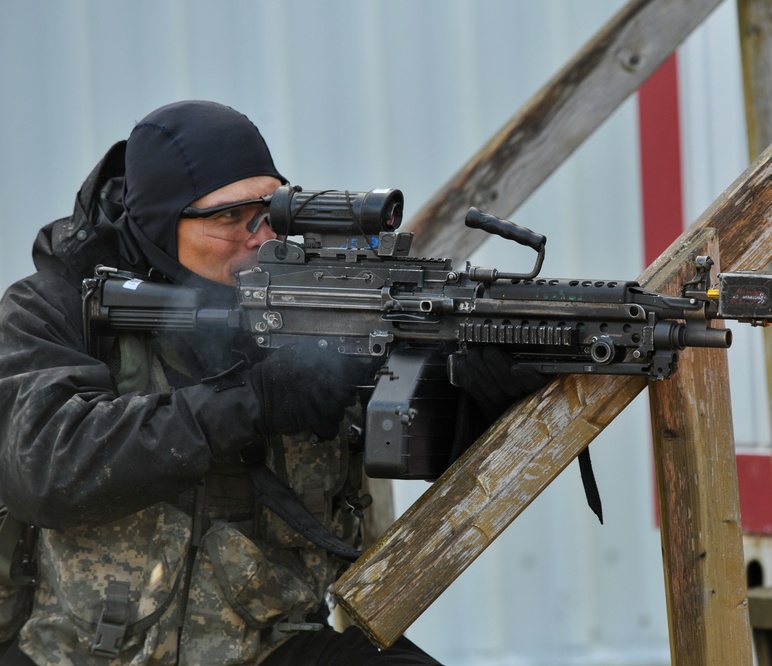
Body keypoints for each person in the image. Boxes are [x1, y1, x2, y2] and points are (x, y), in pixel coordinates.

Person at [0, 100, 543, 665]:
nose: (259, 238)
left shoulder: (315, 294)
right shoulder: (57, 306)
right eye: (229, 218)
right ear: (160, 223)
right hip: (77, 652)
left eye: (269, 212)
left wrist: (478, 396)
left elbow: (401, 440)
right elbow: (45, 466)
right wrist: (253, 400)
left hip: (269, 646)